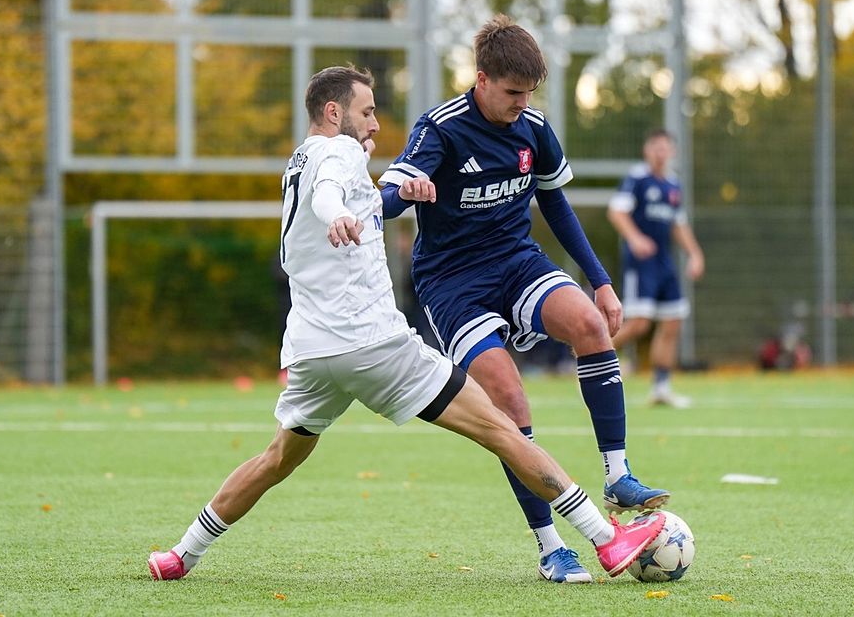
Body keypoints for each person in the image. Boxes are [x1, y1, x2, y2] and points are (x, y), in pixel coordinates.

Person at [147, 65, 666, 583]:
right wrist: (337, 216)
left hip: (310, 350)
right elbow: (332, 194)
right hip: (374, 346)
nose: (375, 125)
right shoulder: (337, 152)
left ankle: (182, 554)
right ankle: (606, 538)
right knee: (501, 429)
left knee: (277, 458)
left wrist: (390, 199)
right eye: (367, 112)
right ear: (334, 113)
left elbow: (354, 197)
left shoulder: (298, 160)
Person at [377, 15, 669, 583]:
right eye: (512, 93)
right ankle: (551, 547)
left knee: (589, 323)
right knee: (509, 401)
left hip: (516, 262)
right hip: (453, 282)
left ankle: (617, 474)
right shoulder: (439, 128)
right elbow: (390, 196)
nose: (520, 103)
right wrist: (400, 192)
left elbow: (556, 205)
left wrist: (601, 279)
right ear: (481, 79)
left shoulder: (533, 128)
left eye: (528, 94)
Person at [607, 129, 705, 408]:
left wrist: (695, 254)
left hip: (664, 263)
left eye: (665, 148)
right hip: (641, 264)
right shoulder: (637, 179)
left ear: (672, 152)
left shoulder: (673, 185)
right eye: (655, 148)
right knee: (639, 324)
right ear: (646, 151)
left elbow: (678, 224)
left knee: (673, 322)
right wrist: (635, 238)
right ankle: (591, 358)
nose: (661, 153)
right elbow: (616, 211)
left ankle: (661, 387)